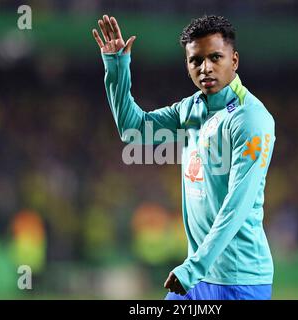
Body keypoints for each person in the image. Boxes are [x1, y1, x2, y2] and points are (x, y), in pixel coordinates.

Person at [92, 14, 276, 300]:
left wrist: (193, 268)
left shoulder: (250, 118)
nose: (206, 68)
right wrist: (117, 66)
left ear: (234, 61)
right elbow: (133, 129)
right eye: (196, 60)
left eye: (216, 57)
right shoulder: (191, 109)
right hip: (196, 277)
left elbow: (237, 205)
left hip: (239, 280)